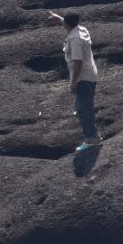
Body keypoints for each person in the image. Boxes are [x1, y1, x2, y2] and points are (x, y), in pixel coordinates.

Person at [48, 11, 102, 151]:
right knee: (85, 107)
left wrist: (73, 82)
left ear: (67, 23)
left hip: (82, 77)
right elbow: (70, 24)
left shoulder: (74, 40)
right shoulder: (81, 30)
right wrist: (58, 18)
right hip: (90, 74)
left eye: (64, 21)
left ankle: (91, 139)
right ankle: (94, 135)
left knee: (83, 108)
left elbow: (77, 61)